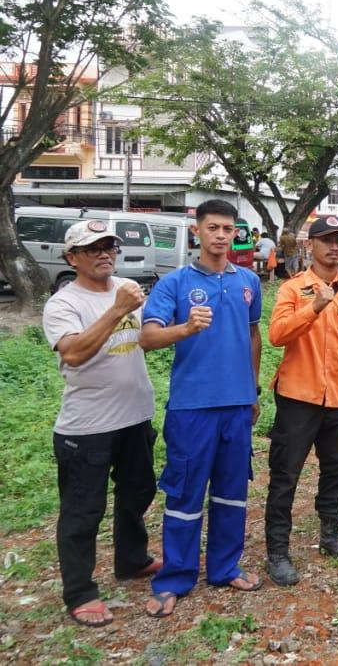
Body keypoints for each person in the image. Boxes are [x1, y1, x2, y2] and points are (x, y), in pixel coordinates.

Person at [140, 199, 263, 618]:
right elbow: (148, 338)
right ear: (198, 231)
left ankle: (225, 566)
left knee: (232, 493)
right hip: (192, 408)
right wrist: (186, 328)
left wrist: (253, 391)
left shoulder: (248, 280)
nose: (221, 236)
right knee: (184, 494)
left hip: (236, 407)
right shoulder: (173, 284)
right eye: (213, 228)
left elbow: (252, 335)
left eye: (228, 229)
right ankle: (175, 578)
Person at [43, 220, 160, 627]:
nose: (104, 254)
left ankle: (131, 559)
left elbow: (148, 336)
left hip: (135, 418)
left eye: (109, 246)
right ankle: (80, 592)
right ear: (71, 258)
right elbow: (74, 354)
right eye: (93, 248)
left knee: (138, 493)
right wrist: (117, 310)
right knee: (83, 510)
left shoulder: (126, 288)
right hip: (86, 428)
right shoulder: (64, 303)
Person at [263, 215, 338, 585]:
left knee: (336, 470)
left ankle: (330, 534)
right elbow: (276, 334)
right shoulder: (294, 289)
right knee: (285, 475)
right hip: (298, 397)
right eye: (327, 240)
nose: (335, 247)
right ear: (311, 245)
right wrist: (315, 307)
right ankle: (277, 551)